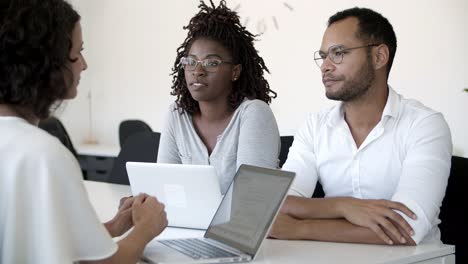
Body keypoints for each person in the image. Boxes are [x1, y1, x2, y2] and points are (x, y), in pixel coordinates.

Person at [0, 0, 167, 263]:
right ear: (48, 61)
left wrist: (112, 227)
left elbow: (48, 237)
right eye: (78, 53)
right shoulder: (44, 154)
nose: (84, 65)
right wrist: (147, 227)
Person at [270, 7, 452, 246]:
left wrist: (298, 228)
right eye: (323, 55)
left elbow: (405, 230)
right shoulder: (315, 126)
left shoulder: (424, 124)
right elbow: (277, 204)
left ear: (379, 57)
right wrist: (344, 206)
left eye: (338, 53)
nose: (325, 66)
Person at [157, 0, 280, 194]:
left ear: (235, 71)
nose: (197, 71)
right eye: (191, 61)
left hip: (242, 224)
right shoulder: (176, 114)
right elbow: (165, 189)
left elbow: (251, 197)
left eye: (211, 63)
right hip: (188, 223)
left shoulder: (254, 113)